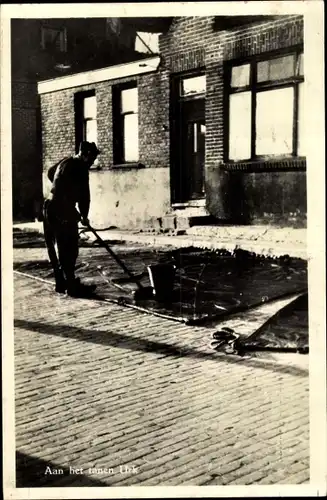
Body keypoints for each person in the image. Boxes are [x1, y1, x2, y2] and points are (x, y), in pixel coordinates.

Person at [43, 141, 100, 297]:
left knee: (56, 247)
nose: (92, 162)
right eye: (92, 158)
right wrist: (84, 215)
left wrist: (61, 189)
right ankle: (71, 287)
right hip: (62, 209)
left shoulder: (66, 161)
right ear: (85, 154)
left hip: (49, 206)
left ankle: (61, 283)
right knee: (69, 247)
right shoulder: (81, 168)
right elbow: (84, 196)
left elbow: (50, 172)